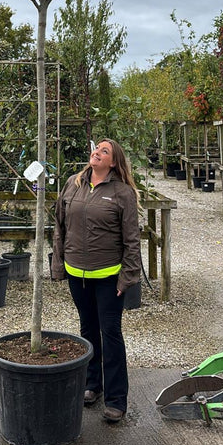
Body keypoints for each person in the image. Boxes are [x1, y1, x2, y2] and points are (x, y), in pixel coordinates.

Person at [52, 139, 141, 423]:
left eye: (105, 151)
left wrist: (127, 277)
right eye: (96, 149)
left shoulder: (122, 193)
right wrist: (58, 264)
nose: (97, 153)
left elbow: (132, 240)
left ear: (113, 162)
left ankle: (116, 400)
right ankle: (92, 384)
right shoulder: (73, 184)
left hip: (108, 277)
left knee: (110, 333)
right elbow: (59, 227)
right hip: (77, 274)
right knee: (87, 329)